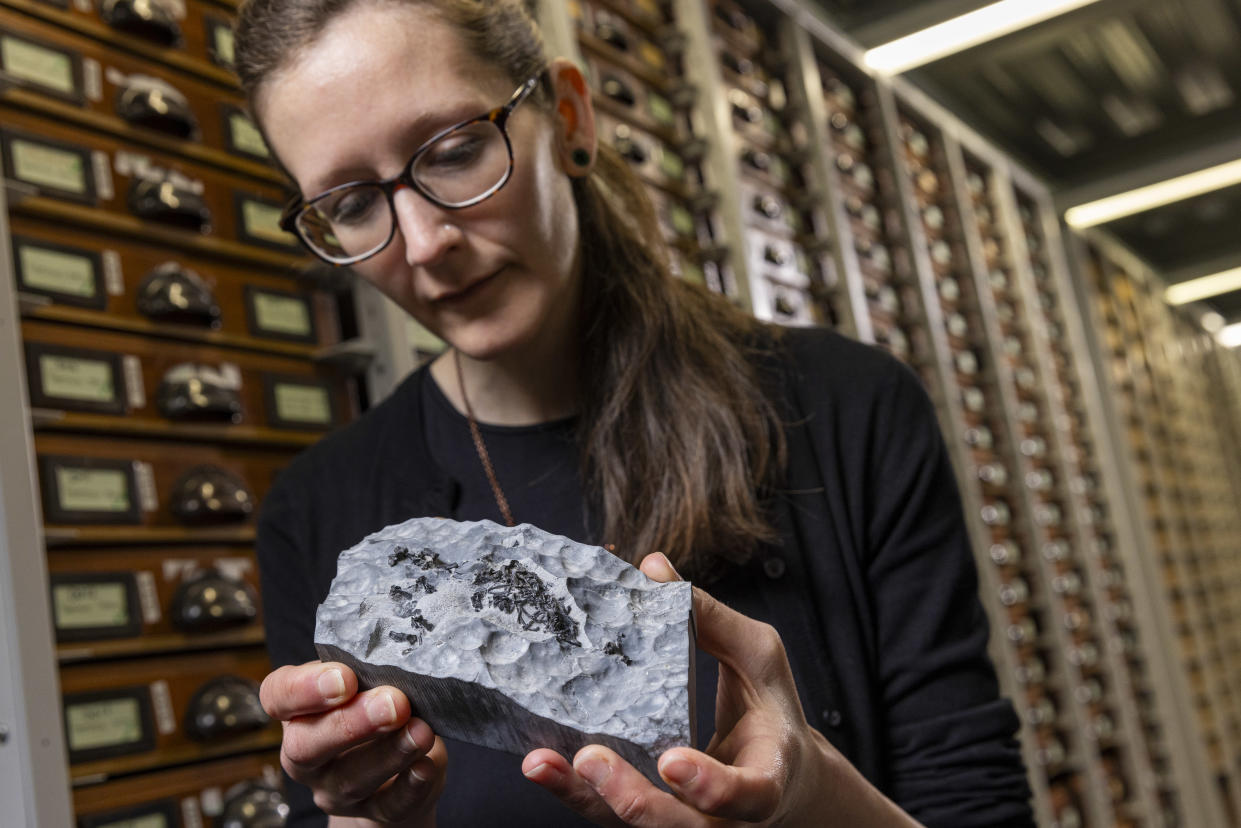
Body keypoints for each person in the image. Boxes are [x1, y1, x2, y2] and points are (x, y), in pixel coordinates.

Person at [234, 0, 1034, 825]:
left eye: (456, 150)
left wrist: (812, 799)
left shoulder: (846, 405)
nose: (425, 239)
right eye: (353, 204)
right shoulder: (313, 511)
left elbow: (974, 801)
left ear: (571, 118)